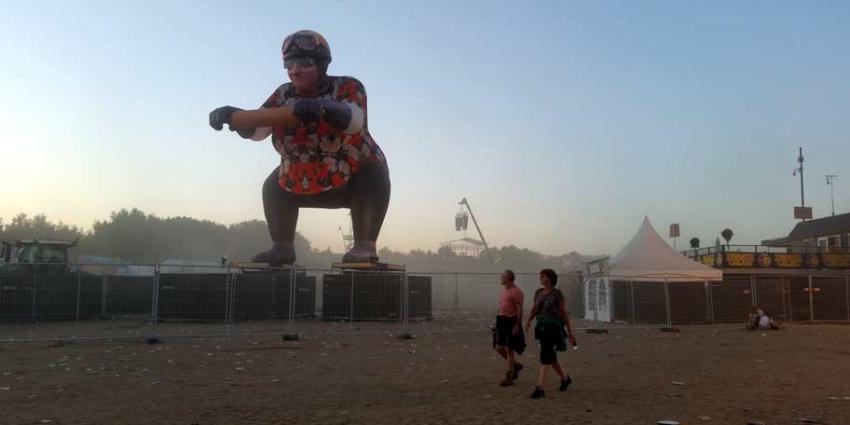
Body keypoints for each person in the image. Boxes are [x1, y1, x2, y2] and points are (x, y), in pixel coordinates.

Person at [209, 30, 390, 265]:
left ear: (322, 65)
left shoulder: (348, 87)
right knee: (272, 187)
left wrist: (324, 107)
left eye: (304, 63)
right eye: (289, 65)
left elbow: (355, 119)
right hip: (297, 176)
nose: (295, 71)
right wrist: (235, 117)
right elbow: (260, 129)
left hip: (349, 175)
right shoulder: (284, 94)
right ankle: (282, 246)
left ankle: (365, 245)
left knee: (374, 174)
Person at [524, 268, 577, 399]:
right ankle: (565, 379)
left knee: (546, 355)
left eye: (543, 276)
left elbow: (563, 313)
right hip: (541, 328)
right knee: (550, 356)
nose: (541, 278)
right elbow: (535, 308)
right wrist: (528, 320)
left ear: (550, 278)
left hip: (553, 329)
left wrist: (570, 333)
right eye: (540, 276)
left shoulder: (557, 294)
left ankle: (540, 388)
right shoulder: (538, 292)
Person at [494, 269, 525, 386]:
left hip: (512, 321)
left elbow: (519, 310)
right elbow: (500, 308)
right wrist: (496, 323)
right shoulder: (503, 291)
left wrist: (517, 325)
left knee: (510, 349)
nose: (501, 278)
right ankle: (515, 365)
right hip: (502, 321)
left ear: (509, 278)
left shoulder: (516, 291)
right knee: (499, 348)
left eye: (503, 276)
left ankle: (509, 377)